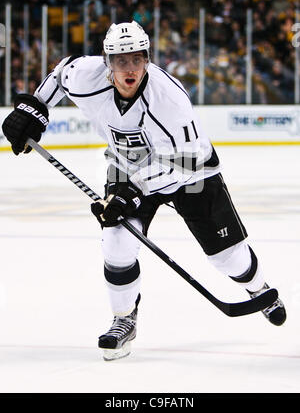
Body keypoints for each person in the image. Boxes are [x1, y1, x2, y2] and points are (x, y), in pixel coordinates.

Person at [2, 21, 286, 361]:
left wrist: (133, 192)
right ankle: (124, 320)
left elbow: (185, 161)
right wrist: (35, 107)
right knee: (117, 245)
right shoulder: (87, 76)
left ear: (147, 59)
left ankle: (260, 290)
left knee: (228, 257)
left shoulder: (169, 100)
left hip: (189, 172)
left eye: (136, 59)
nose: (129, 68)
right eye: (120, 61)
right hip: (127, 166)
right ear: (107, 62)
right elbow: (61, 74)